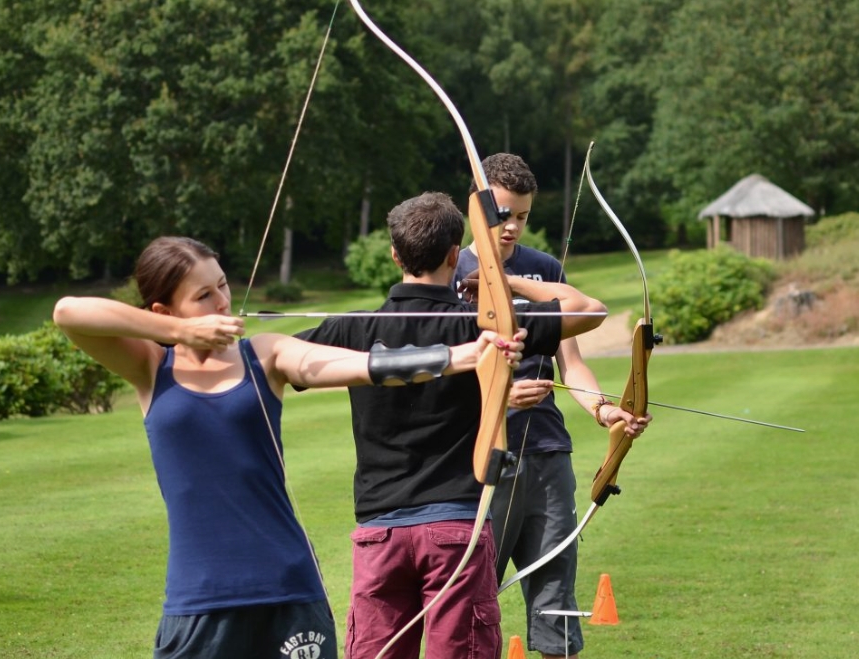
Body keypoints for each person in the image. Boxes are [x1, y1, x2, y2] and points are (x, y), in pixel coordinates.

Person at [52, 236, 527, 659]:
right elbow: (69, 313)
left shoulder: (265, 353)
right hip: (199, 598)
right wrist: (181, 335)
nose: (222, 301)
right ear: (163, 312)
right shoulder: (150, 367)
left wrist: (463, 355)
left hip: (288, 589)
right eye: (203, 296)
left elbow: (366, 366)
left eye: (222, 285)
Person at [295, 191, 608, 659]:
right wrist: (506, 282)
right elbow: (589, 309)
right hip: (456, 531)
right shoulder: (482, 328)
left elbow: (275, 359)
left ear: (394, 254)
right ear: (453, 255)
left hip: (380, 534)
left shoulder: (353, 329)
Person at [454, 153, 652, 659]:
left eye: (522, 215)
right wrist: (498, 396)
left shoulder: (544, 271)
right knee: (473, 608)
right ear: (475, 208)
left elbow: (573, 363)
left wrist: (606, 411)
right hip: (482, 457)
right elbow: (437, 378)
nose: (512, 226)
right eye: (502, 213)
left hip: (546, 452)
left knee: (557, 605)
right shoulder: (448, 270)